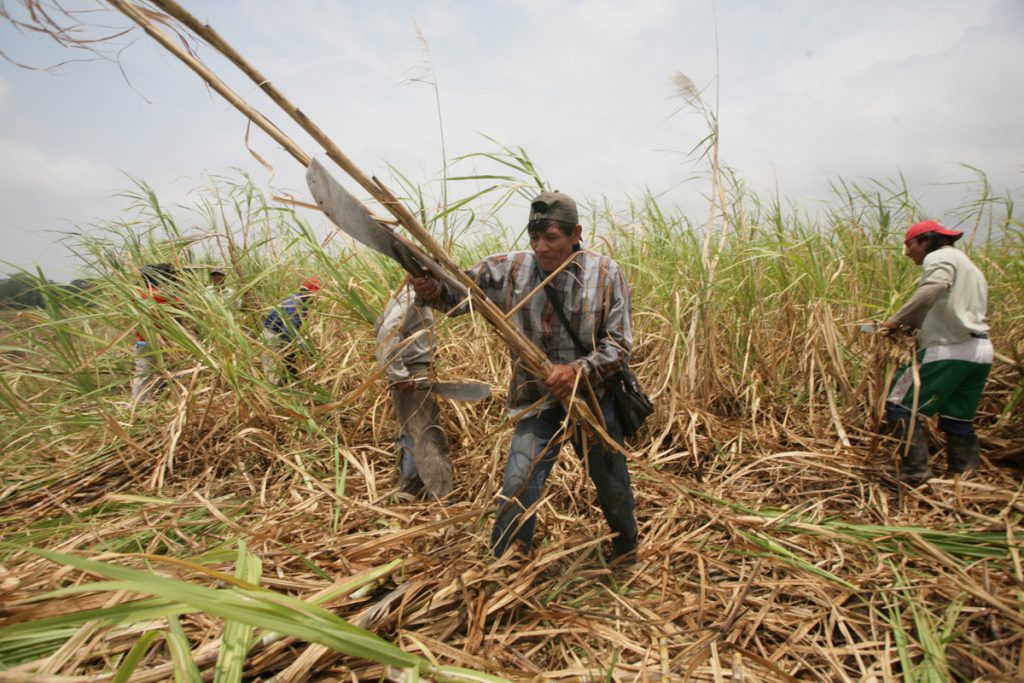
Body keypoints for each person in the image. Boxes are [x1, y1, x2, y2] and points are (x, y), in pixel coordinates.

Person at [411, 190, 638, 561]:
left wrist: (577, 371)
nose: (542, 247)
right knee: (518, 480)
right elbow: (456, 297)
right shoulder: (509, 269)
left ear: (576, 233)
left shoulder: (606, 274)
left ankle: (626, 548)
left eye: (552, 238)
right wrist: (432, 289)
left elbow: (619, 345)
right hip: (537, 398)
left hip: (594, 400)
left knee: (612, 482)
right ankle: (508, 562)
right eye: (535, 238)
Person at [881, 220, 992, 484]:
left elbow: (935, 287)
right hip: (980, 351)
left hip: (949, 349)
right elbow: (953, 308)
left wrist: (897, 320)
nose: (909, 254)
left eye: (910, 246)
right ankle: (964, 475)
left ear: (926, 241)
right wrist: (916, 329)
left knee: (898, 404)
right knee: (957, 416)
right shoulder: (968, 265)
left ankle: (915, 472)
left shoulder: (939, 257)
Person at [375, 282, 454, 498]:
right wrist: (399, 374)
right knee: (428, 436)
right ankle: (442, 498)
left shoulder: (405, 295)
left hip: (411, 373)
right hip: (413, 374)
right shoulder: (413, 297)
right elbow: (386, 333)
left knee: (412, 432)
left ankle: (410, 486)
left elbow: (382, 327)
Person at [133, 263, 180, 402]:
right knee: (154, 371)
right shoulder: (159, 294)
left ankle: (148, 399)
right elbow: (181, 304)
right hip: (157, 341)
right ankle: (140, 403)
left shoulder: (137, 293)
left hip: (143, 340)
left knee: (144, 371)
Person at [261, 277, 321, 384]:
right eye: (314, 295)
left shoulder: (300, 302)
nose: (315, 299)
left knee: (290, 362)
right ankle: (275, 394)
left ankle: (291, 385)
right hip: (273, 337)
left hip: (280, 336)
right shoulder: (294, 304)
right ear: (306, 292)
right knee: (272, 372)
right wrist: (305, 348)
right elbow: (288, 331)